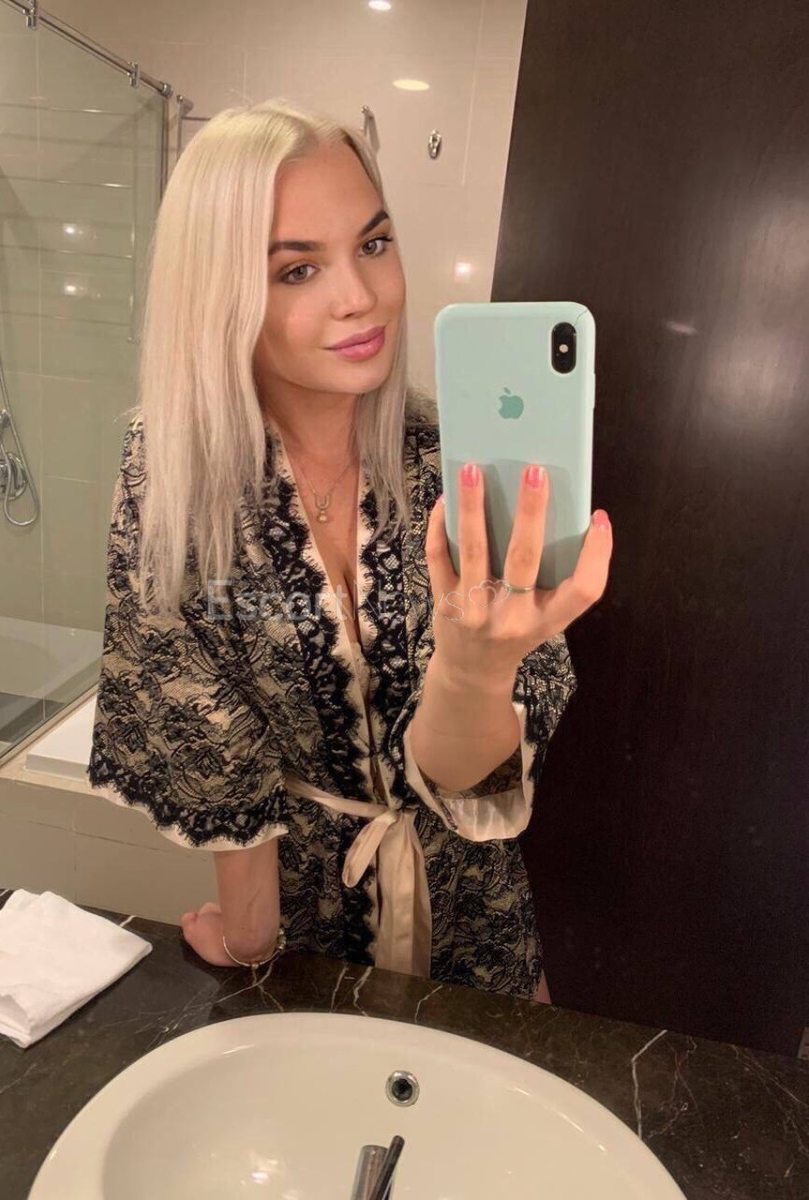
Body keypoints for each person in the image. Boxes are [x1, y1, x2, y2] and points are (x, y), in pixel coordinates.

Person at [86, 98, 613, 1005]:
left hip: (473, 923)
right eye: (298, 269)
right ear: (220, 293)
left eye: (373, 244)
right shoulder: (174, 474)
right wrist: (250, 936)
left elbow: (468, 784)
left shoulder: (452, 467)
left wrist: (475, 667)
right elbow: (206, 727)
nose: (360, 296)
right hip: (305, 940)